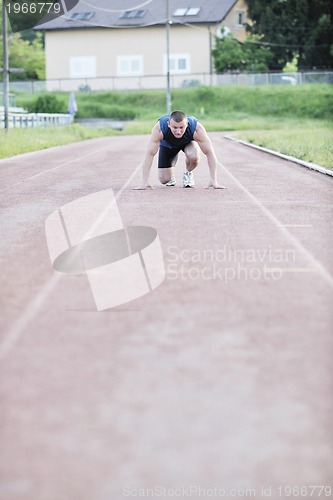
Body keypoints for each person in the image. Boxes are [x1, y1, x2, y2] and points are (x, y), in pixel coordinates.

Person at [134, 110, 226, 189]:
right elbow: (149, 154)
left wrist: (214, 180)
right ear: (168, 124)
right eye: (175, 127)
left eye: (182, 127)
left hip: (188, 144)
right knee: (164, 179)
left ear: (187, 124)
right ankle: (170, 175)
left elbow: (210, 153)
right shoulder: (160, 129)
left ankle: (188, 173)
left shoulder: (196, 129)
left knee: (194, 156)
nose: (178, 131)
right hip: (168, 146)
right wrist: (145, 181)